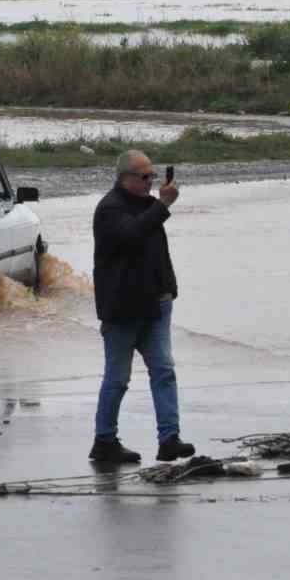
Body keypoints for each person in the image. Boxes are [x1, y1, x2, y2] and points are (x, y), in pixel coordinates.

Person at [89, 150, 195, 464]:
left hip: (156, 305)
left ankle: (169, 439)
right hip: (123, 310)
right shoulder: (109, 209)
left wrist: (169, 290)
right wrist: (163, 205)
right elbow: (132, 235)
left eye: (153, 175)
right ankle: (104, 440)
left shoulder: (148, 205)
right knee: (118, 379)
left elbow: (156, 250)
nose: (151, 181)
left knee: (164, 371)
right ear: (125, 178)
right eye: (145, 177)